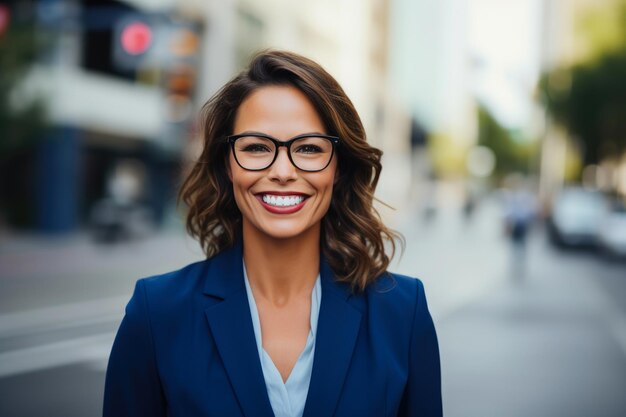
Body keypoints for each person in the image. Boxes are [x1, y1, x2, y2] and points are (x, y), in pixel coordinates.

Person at [103, 50, 442, 417]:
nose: (282, 170)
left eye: (309, 148)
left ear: (339, 168)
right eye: (257, 147)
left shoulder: (403, 313)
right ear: (227, 165)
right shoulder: (156, 313)